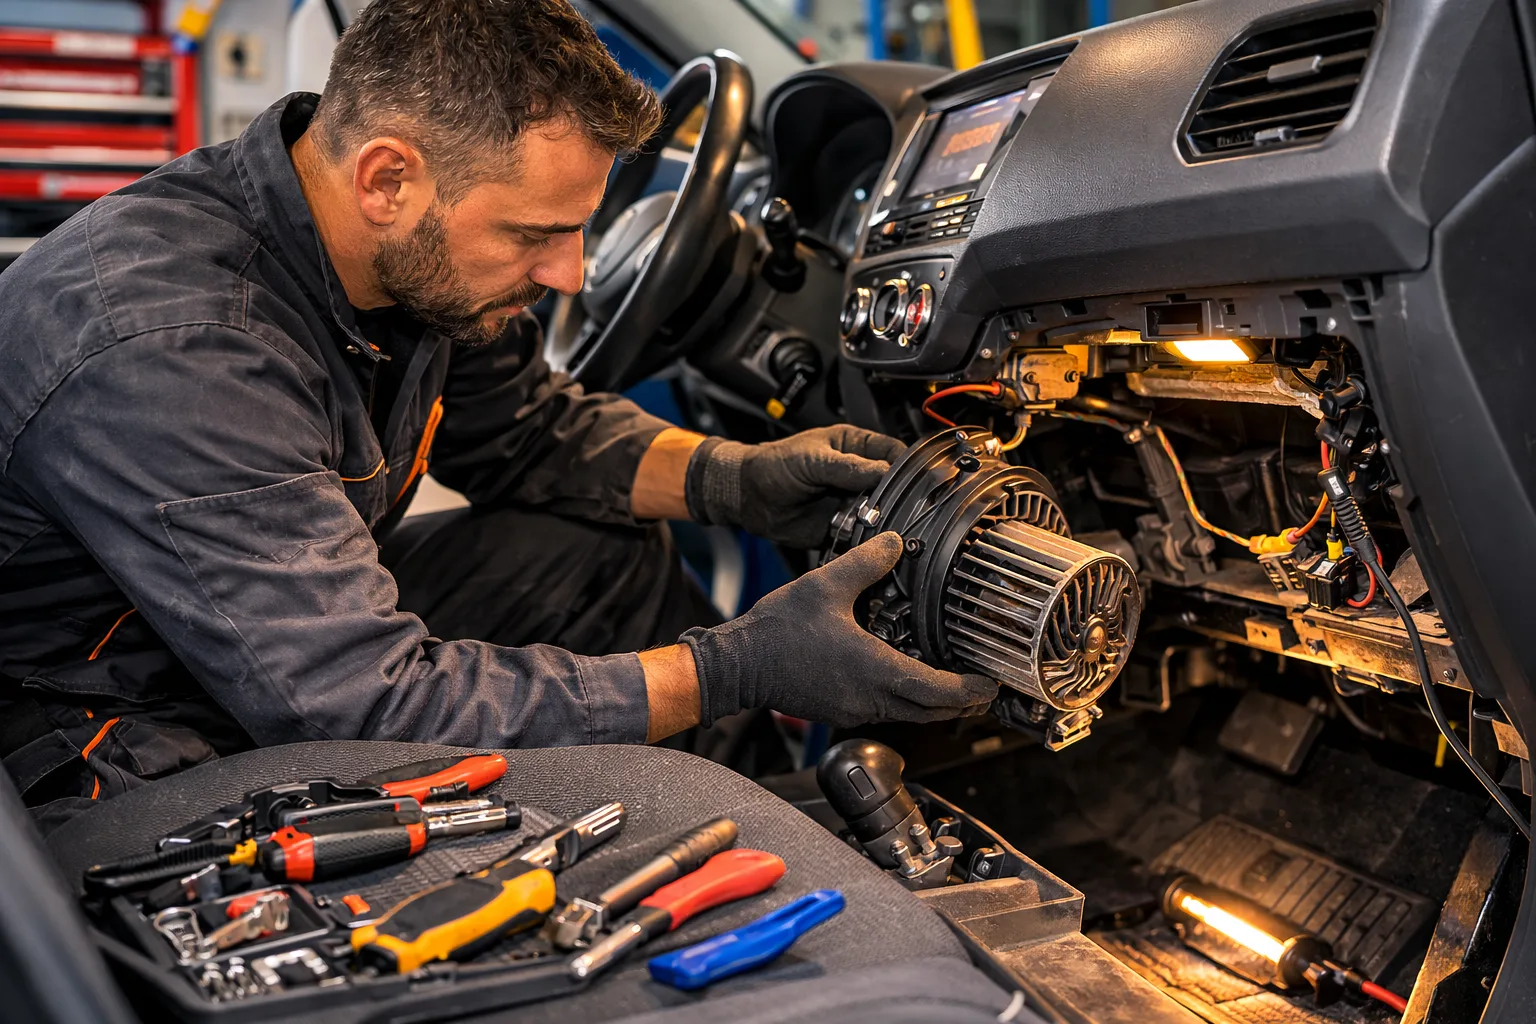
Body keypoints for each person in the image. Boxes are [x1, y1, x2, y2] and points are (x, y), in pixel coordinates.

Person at [0, 0, 996, 828]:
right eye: (537, 234)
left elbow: (531, 429)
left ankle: (735, 817)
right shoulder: (179, 343)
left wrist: (733, 476)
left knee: (595, 559)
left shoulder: (402, 259)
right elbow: (368, 700)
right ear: (388, 178)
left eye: (579, 232)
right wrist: (729, 667)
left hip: (236, 641)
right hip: (95, 731)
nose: (568, 274)